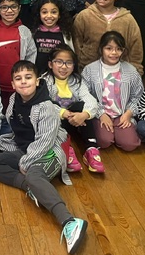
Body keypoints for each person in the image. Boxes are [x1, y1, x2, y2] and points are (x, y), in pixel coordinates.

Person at [0, 60, 88, 255]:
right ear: (13, 84)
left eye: (28, 77)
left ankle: (69, 221)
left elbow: (45, 141)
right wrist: (1, 147)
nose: (23, 82)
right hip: (27, 149)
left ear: (37, 81)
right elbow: (17, 130)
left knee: (33, 175)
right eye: (18, 78)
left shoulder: (46, 107)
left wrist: (25, 162)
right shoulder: (14, 99)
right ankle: (33, 189)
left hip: (50, 151)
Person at [43, 44, 105, 173]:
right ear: (50, 64)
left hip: (76, 121)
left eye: (68, 63)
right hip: (56, 123)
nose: (64, 67)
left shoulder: (77, 81)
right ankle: (66, 148)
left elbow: (91, 100)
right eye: (59, 62)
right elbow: (43, 104)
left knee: (81, 106)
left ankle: (91, 149)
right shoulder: (43, 81)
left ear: (73, 65)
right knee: (50, 107)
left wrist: (84, 115)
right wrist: (63, 112)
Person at [82, 32, 143, 152]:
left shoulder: (131, 71)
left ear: (123, 51)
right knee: (104, 141)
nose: (114, 53)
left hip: (122, 114)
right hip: (101, 113)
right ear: (101, 49)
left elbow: (138, 96)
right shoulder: (90, 70)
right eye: (109, 48)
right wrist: (101, 114)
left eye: (118, 49)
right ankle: (110, 133)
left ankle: (119, 133)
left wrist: (128, 113)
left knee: (130, 144)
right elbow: (85, 95)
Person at [73, 0, 143, 74]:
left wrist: (136, 71)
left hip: (119, 73)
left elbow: (136, 48)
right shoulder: (84, 16)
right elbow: (76, 43)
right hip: (89, 71)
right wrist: (79, 66)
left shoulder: (127, 19)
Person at [0, 0, 36, 109]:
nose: (9, 11)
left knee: (12, 114)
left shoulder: (24, 31)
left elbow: (31, 57)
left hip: (15, 87)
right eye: (4, 7)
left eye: (13, 6)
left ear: (19, 8)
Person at [32, 0, 74, 75]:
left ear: (59, 15)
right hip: (36, 76)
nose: (49, 16)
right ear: (39, 14)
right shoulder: (33, 33)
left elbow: (70, 57)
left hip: (57, 77)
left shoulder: (65, 34)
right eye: (44, 12)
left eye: (53, 12)